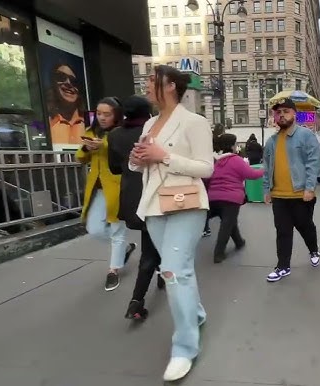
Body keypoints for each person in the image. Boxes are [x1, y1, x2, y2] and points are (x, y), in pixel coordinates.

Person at [129, 65, 213, 382]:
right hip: (153, 205)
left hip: (186, 203)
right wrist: (138, 159)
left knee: (174, 271)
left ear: (170, 86)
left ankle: (184, 348)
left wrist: (163, 156)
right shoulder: (150, 122)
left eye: (152, 80)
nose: (147, 84)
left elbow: (206, 168)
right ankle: (197, 313)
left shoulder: (194, 122)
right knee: (179, 268)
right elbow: (138, 164)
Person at [108, 94, 165, 320]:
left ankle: (156, 279)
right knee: (150, 252)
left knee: (151, 243)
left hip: (131, 197)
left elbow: (114, 168)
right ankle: (136, 301)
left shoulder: (115, 135)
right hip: (155, 196)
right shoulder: (152, 133)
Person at [76, 97, 136, 291]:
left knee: (117, 230)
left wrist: (104, 146)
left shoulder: (122, 133)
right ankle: (124, 249)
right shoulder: (91, 132)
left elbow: (127, 155)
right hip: (97, 188)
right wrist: (86, 147)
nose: (102, 117)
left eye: (107, 114)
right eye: (99, 113)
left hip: (119, 187)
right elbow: (80, 158)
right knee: (94, 229)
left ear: (116, 115)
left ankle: (113, 270)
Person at [262, 98, 320, 282]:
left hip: (300, 194)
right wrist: (266, 190)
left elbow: (314, 162)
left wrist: (310, 188)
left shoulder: (306, 135)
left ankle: (313, 249)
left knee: (305, 227)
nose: (281, 115)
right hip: (279, 195)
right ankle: (283, 266)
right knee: (283, 231)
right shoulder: (271, 141)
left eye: (286, 111)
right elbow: (267, 167)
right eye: (278, 112)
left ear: (294, 114)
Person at [207, 133, 264, 263]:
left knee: (229, 220)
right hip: (231, 198)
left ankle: (239, 241)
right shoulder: (235, 160)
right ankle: (218, 253)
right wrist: (264, 171)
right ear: (232, 146)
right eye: (236, 144)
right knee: (226, 224)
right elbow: (251, 174)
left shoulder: (215, 161)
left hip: (212, 197)